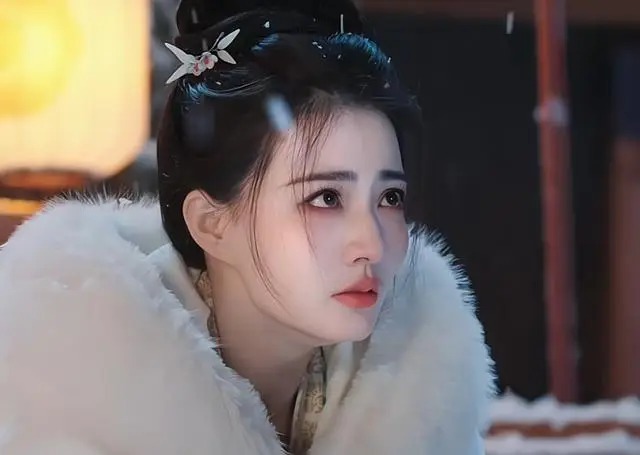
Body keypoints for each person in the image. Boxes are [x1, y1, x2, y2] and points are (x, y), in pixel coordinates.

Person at [0, 0, 494, 453]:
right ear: (212, 224)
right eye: (326, 198)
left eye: (389, 198)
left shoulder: (423, 409)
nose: (372, 244)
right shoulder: (69, 409)